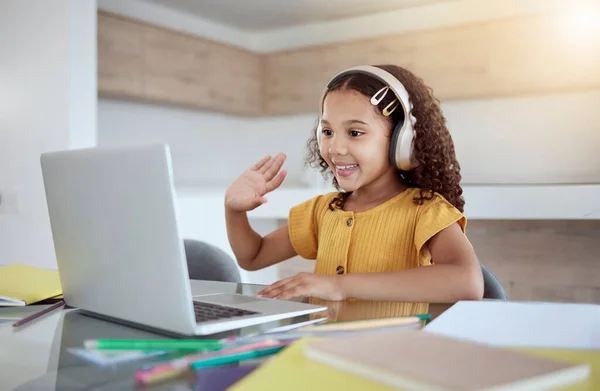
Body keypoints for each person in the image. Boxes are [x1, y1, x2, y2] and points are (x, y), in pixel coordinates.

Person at [224, 64, 484, 310]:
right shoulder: (322, 211)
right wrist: (234, 210)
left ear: (403, 141)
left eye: (355, 133)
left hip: (390, 353)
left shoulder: (425, 210)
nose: (335, 148)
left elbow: (467, 281)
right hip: (323, 350)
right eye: (327, 132)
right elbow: (253, 256)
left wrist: (340, 286)